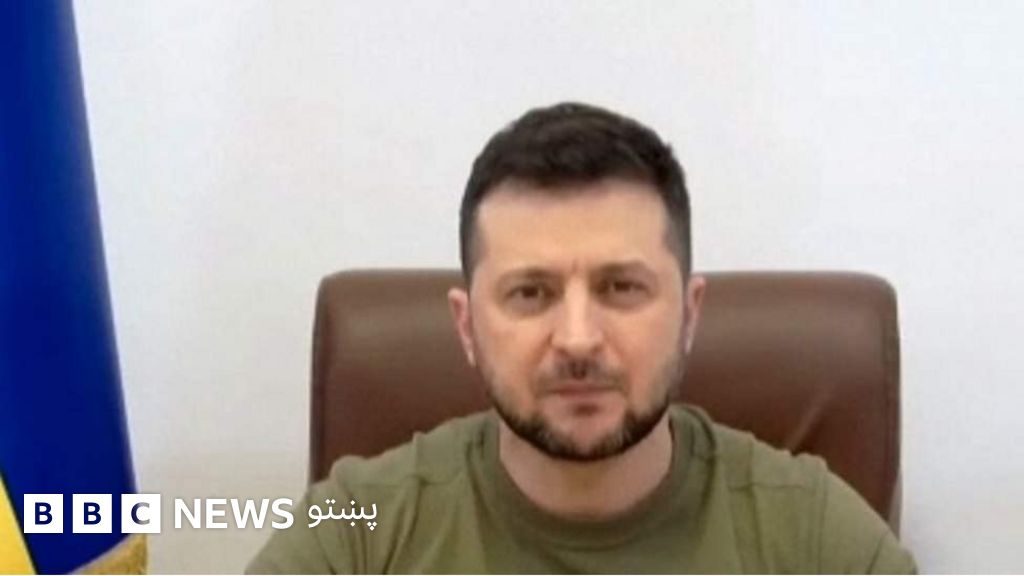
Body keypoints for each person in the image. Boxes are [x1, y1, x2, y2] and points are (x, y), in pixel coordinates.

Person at [247, 102, 916, 573]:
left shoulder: (814, 535)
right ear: (467, 326)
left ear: (689, 314)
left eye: (621, 287)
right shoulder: (355, 529)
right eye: (530, 293)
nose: (576, 339)